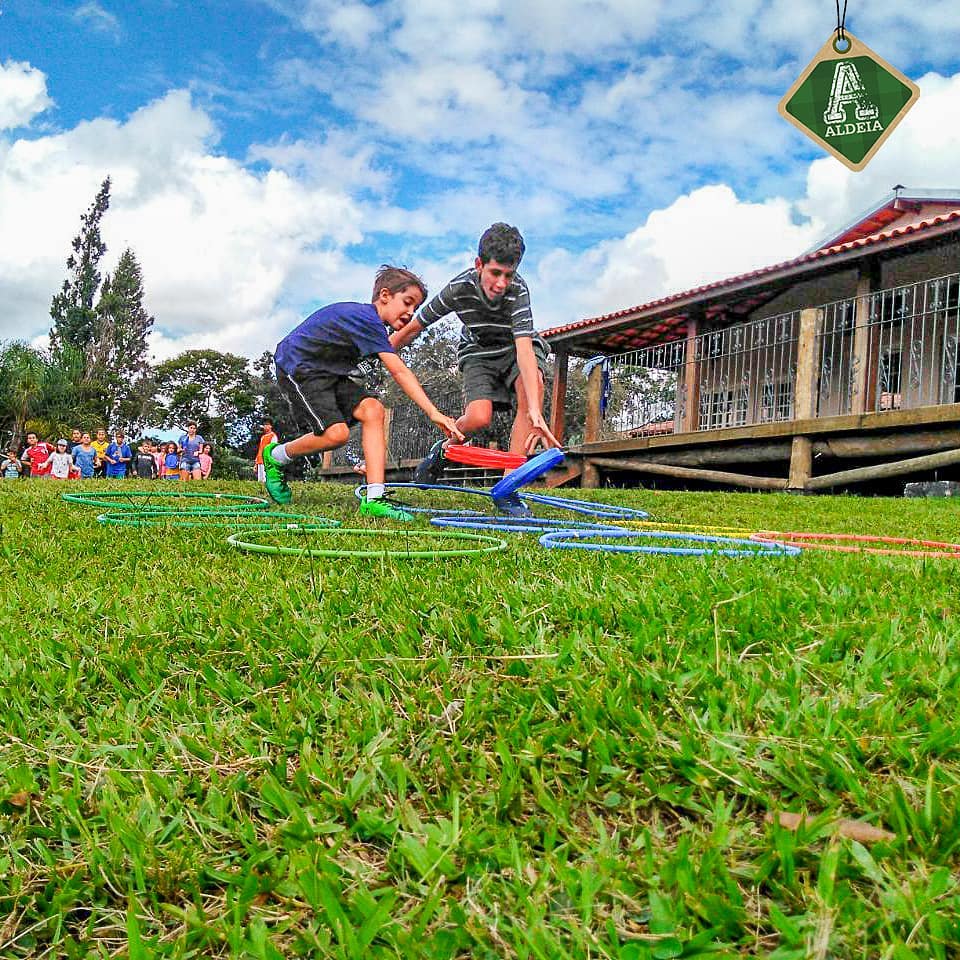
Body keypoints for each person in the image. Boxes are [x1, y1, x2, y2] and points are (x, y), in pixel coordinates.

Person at [262, 264, 464, 516]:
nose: (411, 312)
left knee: (373, 409)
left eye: (416, 308)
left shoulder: (373, 327)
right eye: (407, 302)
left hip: (331, 371)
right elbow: (399, 371)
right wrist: (434, 412)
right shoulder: (367, 320)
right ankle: (277, 456)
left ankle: (374, 499)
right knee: (336, 435)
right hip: (299, 367)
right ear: (385, 296)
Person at [391, 223, 559, 516]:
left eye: (508, 275)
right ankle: (441, 451)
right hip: (478, 351)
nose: (501, 283)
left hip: (513, 348)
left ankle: (509, 488)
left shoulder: (518, 290)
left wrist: (534, 408)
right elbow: (417, 325)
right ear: (479, 265)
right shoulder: (459, 288)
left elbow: (523, 348)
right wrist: (381, 350)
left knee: (533, 388)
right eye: (495, 273)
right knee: (479, 417)